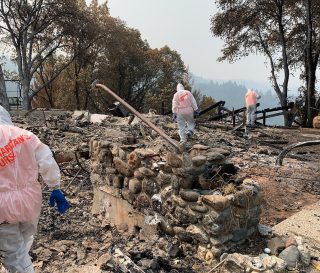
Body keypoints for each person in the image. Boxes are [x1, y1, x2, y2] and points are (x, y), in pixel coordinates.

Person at [0, 105, 69, 273]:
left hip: (3, 204)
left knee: (14, 252)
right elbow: (47, 161)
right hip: (30, 199)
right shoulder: (26, 136)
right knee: (24, 241)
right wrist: (55, 187)